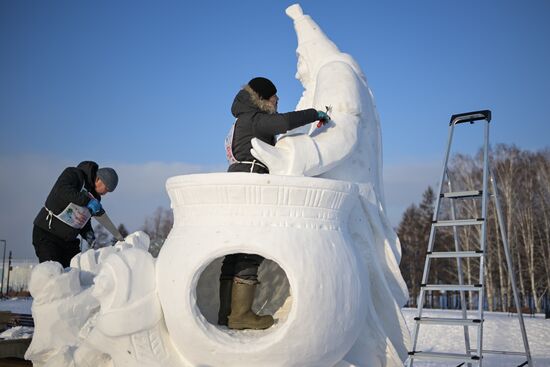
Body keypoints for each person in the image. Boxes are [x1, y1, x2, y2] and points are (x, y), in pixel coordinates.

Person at [219, 77, 329, 330]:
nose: (277, 100)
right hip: (251, 183)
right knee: (250, 247)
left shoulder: (240, 121)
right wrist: (316, 113)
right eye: (274, 97)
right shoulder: (255, 119)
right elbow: (285, 123)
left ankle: (226, 312)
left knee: (235, 249)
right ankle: (240, 315)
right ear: (262, 98)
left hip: (236, 182)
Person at [32, 161, 118, 268]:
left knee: (75, 276)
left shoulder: (94, 197)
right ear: (98, 179)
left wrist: (88, 233)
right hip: (48, 234)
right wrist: (87, 201)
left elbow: (83, 217)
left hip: (68, 241)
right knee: (53, 275)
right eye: (106, 189)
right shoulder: (73, 174)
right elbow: (62, 190)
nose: (105, 194)